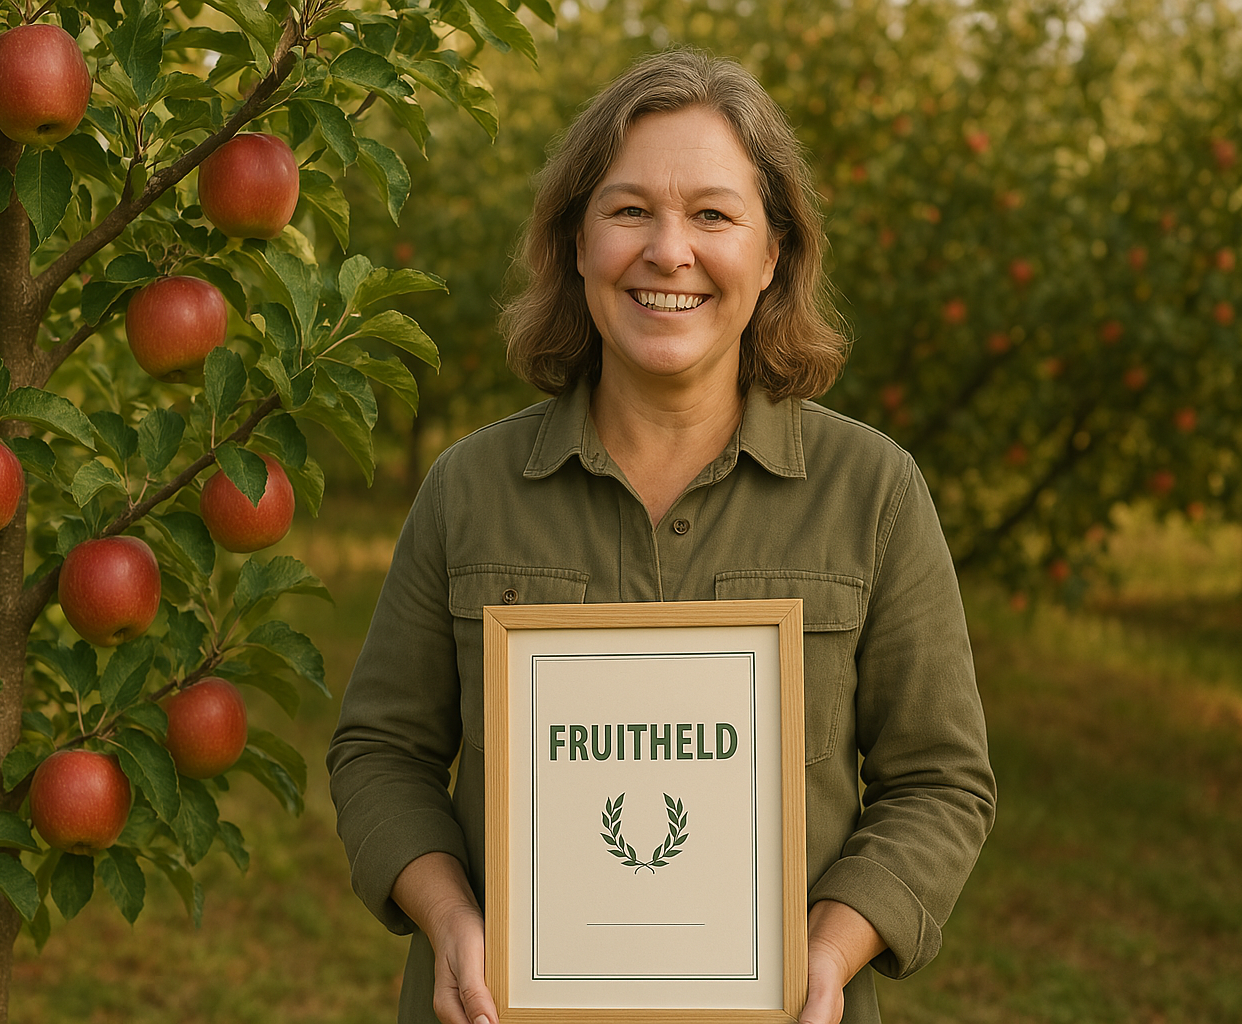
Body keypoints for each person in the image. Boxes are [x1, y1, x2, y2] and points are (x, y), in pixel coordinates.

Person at [327, 48, 997, 1024]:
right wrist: (451, 917)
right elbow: (382, 750)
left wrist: (827, 950)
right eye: (630, 209)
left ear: (773, 256)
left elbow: (939, 780)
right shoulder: (469, 490)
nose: (669, 250)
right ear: (576, 244)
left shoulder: (873, 491)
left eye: (714, 215)